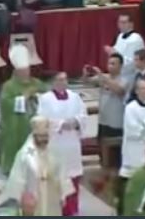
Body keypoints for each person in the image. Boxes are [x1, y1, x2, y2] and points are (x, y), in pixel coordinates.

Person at [36, 72, 87, 216]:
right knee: (57, 178)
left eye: (65, 79)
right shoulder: (45, 99)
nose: (63, 82)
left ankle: (72, 210)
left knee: (73, 177)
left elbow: (83, 115)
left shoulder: (75, 97)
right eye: (59, 80)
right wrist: (61, 124)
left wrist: (76, 121)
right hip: (56, 144)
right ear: (53, 82)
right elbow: (42, 121)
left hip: (72, 145)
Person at [4, 117, 74, 217]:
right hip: (33, 198)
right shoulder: (24, 155)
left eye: (45, 136)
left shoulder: (55, 152)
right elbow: (17, 178)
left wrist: (63, 195)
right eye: (40, 136)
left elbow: (62, 173)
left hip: (52, 196)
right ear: (34, 136)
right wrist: (21, 197)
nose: (43, 140)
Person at [0, 44, 44, 170]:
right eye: (23, 71)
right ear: (16, 71)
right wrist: (23, 98)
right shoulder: (9, 86)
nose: (26, 73)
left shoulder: (36, 82)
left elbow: (48, 96)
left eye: (27, 70)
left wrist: (37, 96)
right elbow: (6, 105)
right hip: (16, 125)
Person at [106, 13, 145, 88]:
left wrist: (114, 53)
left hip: (132, 76)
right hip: (120, 74)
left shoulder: (136, 38)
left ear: (131, 24)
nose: (121, 25)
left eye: (124, 22)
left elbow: (133, 62)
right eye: (119, 22)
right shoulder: (120, 36)